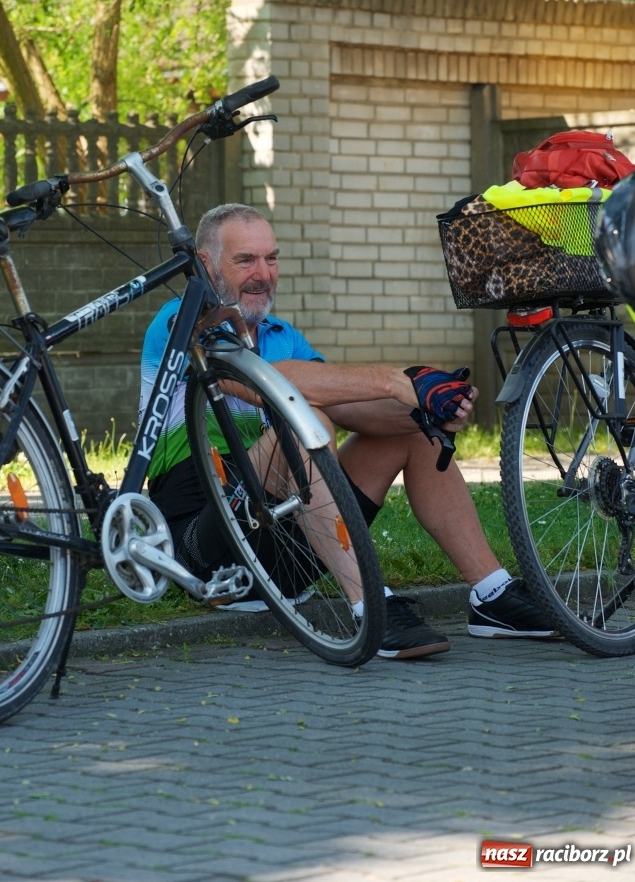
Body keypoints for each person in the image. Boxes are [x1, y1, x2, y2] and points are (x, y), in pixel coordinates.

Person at [139, 203, 556, 659]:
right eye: (246, 261)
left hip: (286, 556)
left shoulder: (282, 335)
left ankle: (492, 595)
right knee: (304, 422)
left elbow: (353, 408)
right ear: (205, 263)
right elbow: (265, 385)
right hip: (204, 548)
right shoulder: (181, 320)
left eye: (272, 258)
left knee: (414, 432)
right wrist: (394, 381)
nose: (263, 274)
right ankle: (369, 604)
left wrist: (428, 407)